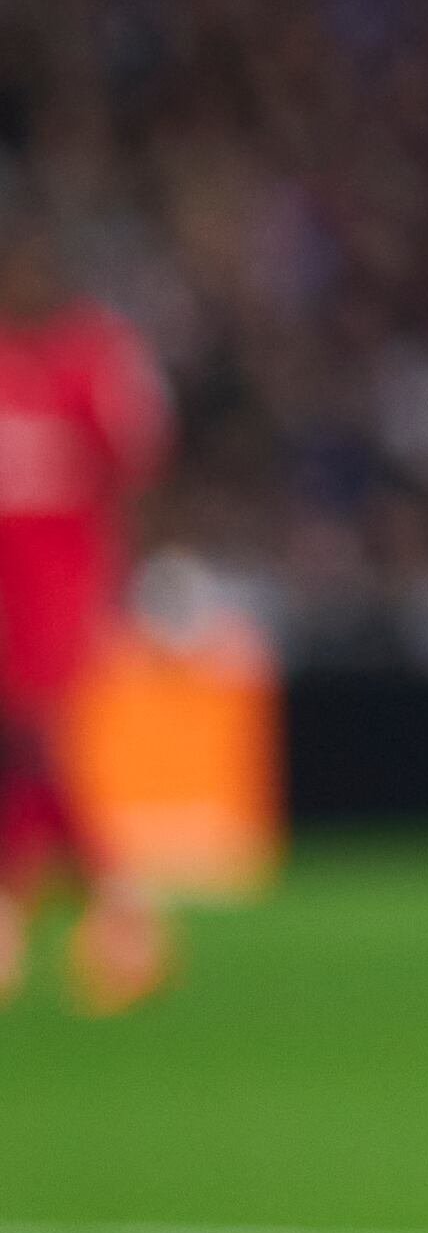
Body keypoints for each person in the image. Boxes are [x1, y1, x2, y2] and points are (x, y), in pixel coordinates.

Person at [0, 173, 175, 1016]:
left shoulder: (91, 361)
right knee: (37, 756)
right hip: (7, 603)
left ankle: (93, 916)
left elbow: (136, 466)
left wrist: (123, 579)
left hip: (63, 600)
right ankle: (115, 914)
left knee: (46, 745)